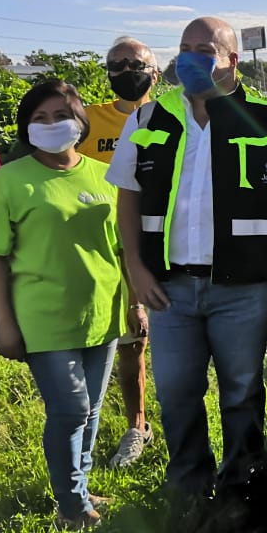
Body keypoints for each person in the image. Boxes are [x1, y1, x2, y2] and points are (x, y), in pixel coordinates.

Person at [108, 17, 267, 519]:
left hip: (246, 286)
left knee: (242, 391)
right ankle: (187, 485)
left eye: (204, 48)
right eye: (184, 48)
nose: (190, 58)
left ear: (231, 59)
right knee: (178, 391)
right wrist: (135, 269)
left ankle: (242, 488)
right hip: (169, 286)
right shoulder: (146, 121)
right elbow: (127, 201)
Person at [0, 81, 129, 530]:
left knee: (93, 410)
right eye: (39, 118)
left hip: (102, 312)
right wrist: (4, 323)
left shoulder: (104, 174)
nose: (50, 125)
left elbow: (121, 248)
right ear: (26, 127)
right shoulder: (11, 180)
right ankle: (72, 506)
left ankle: (80, 483)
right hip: (43, 318)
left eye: (60, 115)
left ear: (80, 121)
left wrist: (134, 303)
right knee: (72, 409)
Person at [81, 37, 159, 468]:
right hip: (109, 246)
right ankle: (137, 425)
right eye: (116, 64)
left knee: (146, 338)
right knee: (130, 342)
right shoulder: (89, 121)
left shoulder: (172, 116)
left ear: (155, 70)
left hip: (164, 242)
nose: (126, 70)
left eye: (135, 63)